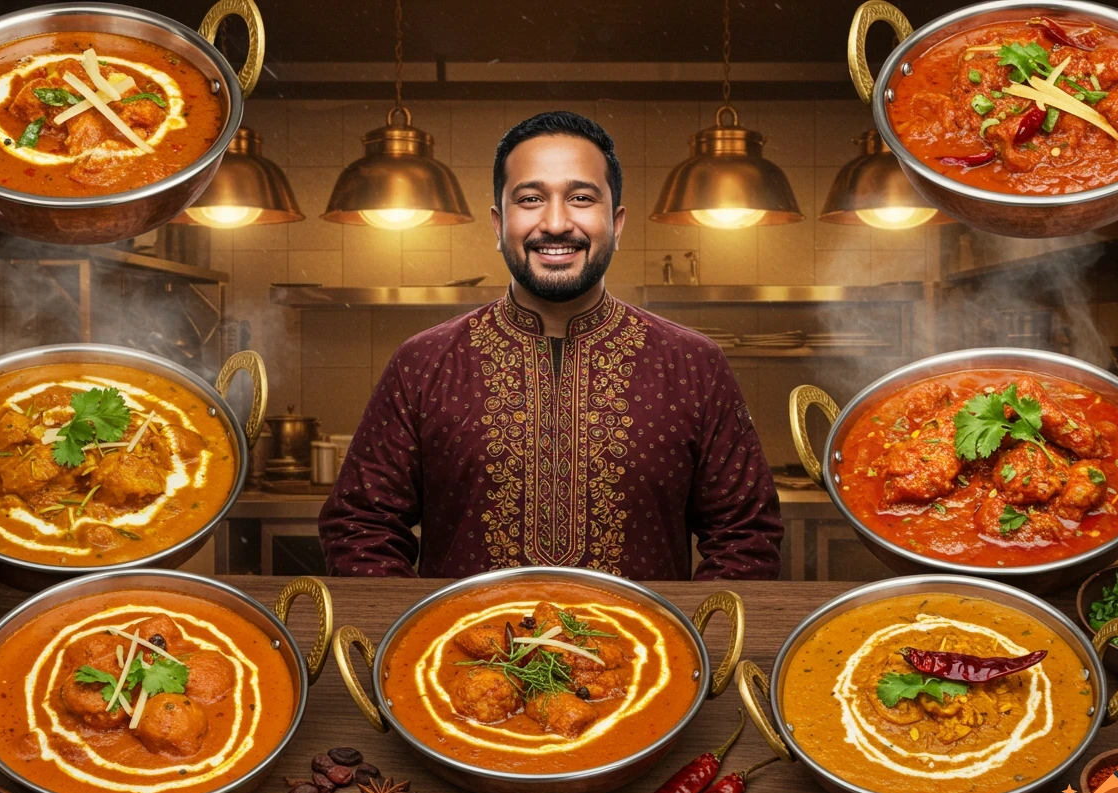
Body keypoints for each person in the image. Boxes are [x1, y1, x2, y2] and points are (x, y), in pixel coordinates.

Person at [319, 111, 782, 579]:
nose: (556, 222)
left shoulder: (693, 364)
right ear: (498, 225)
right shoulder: (422, 363)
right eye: (531, 198)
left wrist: (689, 645)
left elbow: (746, 536)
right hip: (463, 650)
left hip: (647, 652)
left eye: (581, 198)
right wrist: (422, 642)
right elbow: (361, 527)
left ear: (616, 224)